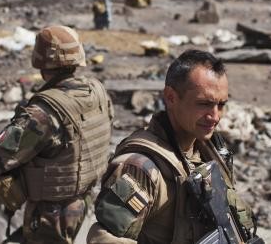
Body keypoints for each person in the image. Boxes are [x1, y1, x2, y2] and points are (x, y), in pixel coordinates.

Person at [87, 49, 258, 244]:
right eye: (204, 104)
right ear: (170, 97)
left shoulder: (209, 150)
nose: (215, 116)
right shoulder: (141, 168)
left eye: (221, 104)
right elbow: (103, 238)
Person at [0, 25, 114, 244]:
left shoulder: (43, 112)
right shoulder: (98, 92)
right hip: (88, 203)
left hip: (51, 217)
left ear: (41, 62)